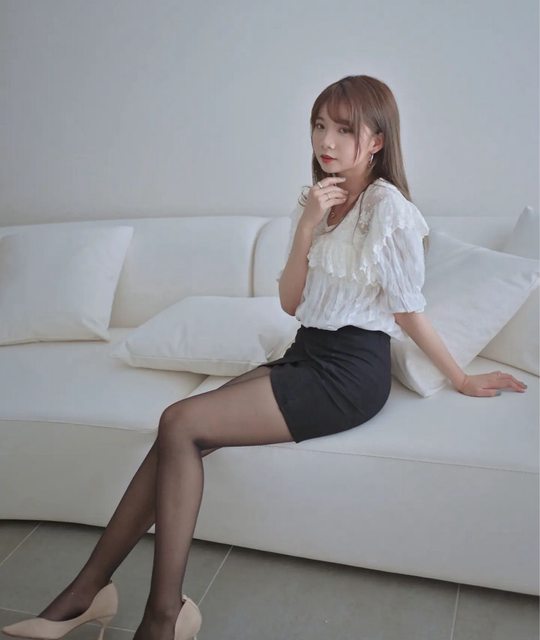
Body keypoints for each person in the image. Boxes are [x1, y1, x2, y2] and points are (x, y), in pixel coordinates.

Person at [2, 74, 527, 640]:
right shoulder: (319, 200)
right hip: (308, 352)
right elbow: (291, 303)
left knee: (180, 421)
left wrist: (461, 378)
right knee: (178, 434)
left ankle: (154, 614)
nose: (326, 140)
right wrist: (305, 228)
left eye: (343, 129)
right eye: (319, 125)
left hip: (350, 373)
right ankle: (92, 595)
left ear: (376, 140)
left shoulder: (388, 208)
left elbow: (407, 311)